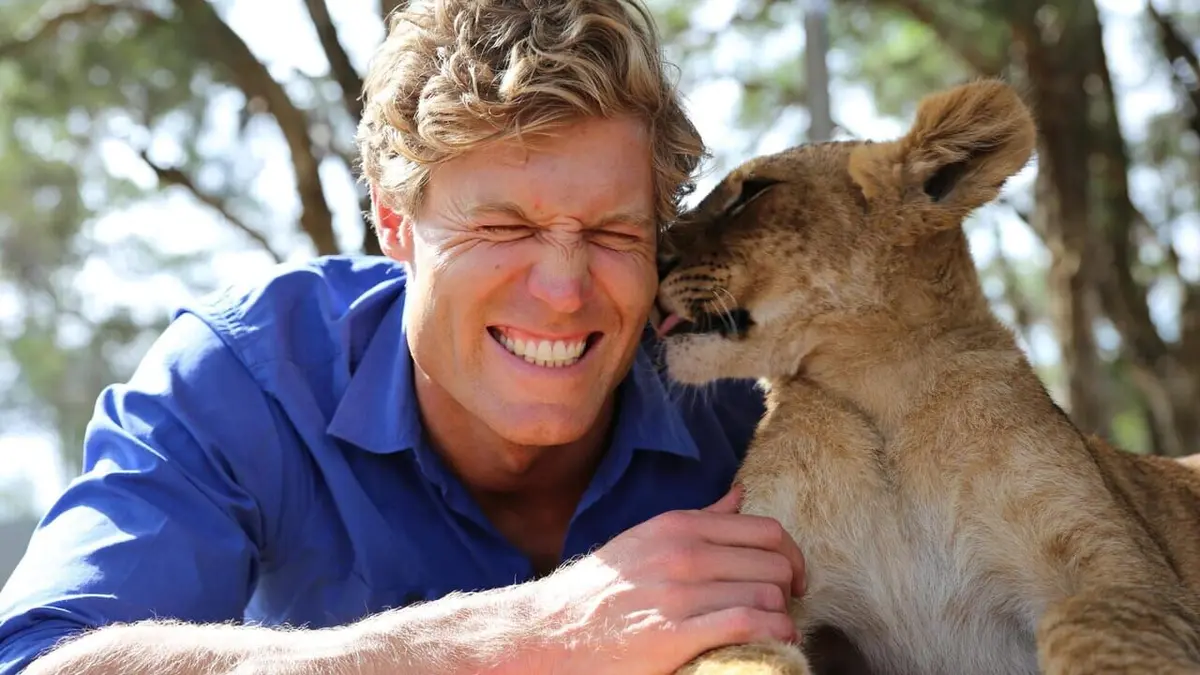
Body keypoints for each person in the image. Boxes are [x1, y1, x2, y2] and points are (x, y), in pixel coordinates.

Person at [0, 1, 809, 673]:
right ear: (394, 220)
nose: (564, 292)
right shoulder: (245, 377)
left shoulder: (753, 400)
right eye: (502, 226)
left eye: (611, 233)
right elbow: (39, 660)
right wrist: (538, 630)